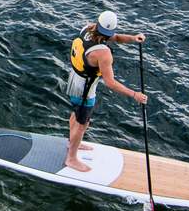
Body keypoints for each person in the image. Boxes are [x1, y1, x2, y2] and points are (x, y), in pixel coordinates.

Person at [63, 10, 148, 172]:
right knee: (82, 124)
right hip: (85, 89)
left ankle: (72, 143)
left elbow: (115, 37)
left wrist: (133, 38)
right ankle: (71, 158)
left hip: (74, 80)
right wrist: (134, 95)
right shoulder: (103, 53)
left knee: (76, 114)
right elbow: (110, 83)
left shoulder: (88, 28)